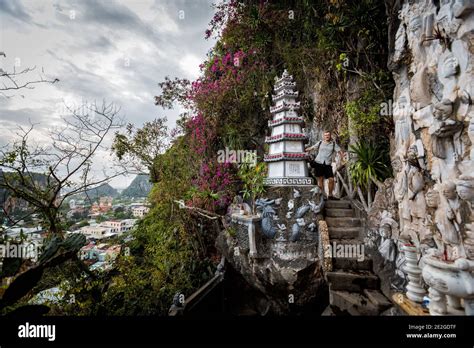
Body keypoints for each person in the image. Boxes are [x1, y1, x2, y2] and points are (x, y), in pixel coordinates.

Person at [305, 130, 343, 199]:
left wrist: (343, 158)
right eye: (325, 135)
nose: (327, 136)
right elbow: (312, 148)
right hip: (318, 163)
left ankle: (330, 195)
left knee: (331, 179)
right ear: (323, 136)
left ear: (330, 136)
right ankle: (322, 195)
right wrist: (304, 149)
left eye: (328, 135)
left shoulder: (333, 144)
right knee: (320, 179)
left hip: (328, 164)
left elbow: (339, 151)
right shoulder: (320, 142)